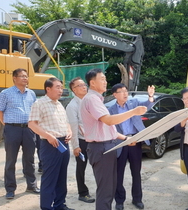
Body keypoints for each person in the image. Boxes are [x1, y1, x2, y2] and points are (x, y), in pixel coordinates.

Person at [80, 68, 147, 210]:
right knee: (105, 192)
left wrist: (126, 139)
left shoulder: (98, 100)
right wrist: (134, 112)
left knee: (109, 190)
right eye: (102, 79)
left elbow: (109, 130)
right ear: (92, 83)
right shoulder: (92, 99)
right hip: (101, 148)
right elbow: (110, 121)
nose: (105, 82)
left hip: (108, 146)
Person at [28, 77, 74, 210]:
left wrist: (69, 131)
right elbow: (31, 124)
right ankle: (46, 207)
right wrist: (48, 136)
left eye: (61, 87)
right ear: (48, 89)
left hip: (63, 143)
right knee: (50, 178)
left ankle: (60, 204)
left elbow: (65, 122)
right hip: (50, 144)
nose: (61, 90)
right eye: (58, 87)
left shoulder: (59, 104)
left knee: (61, 177)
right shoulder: (39, 103)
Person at [108, 83, 155, 210]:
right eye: (121, 91)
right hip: (120, 142)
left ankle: (137, 199)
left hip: (135, 141)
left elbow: (147, 105)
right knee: (118, 174)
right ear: (115, 94)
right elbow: (109, 128)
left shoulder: (133, 103)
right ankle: (119, 201)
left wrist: (150, 96)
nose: (125, 93)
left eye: (125, 91)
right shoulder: (110, 110)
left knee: (136, 172)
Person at [0, 68, 40, 199]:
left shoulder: (31, 94)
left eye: (26, 76)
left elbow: (35, 110)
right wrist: (7, 124)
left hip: (28, 129)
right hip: (12, 130)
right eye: (22, 76)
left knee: (29, 159)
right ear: (14, 78)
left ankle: (31, 185)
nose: (25, 78)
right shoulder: (5, 93)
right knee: (11, 160)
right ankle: (10, 189)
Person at [66, 77, 95, 203]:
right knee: (81, 168)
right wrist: (75, 146)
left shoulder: (89, 101)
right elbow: (73, 127)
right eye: (80, 85)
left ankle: (103, 189)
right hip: (82, 140)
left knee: (98, 166)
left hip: (94, 139)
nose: (84, 87)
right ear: (74, 89)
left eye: (84, 84)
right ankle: (82, 193)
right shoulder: (72, 106)